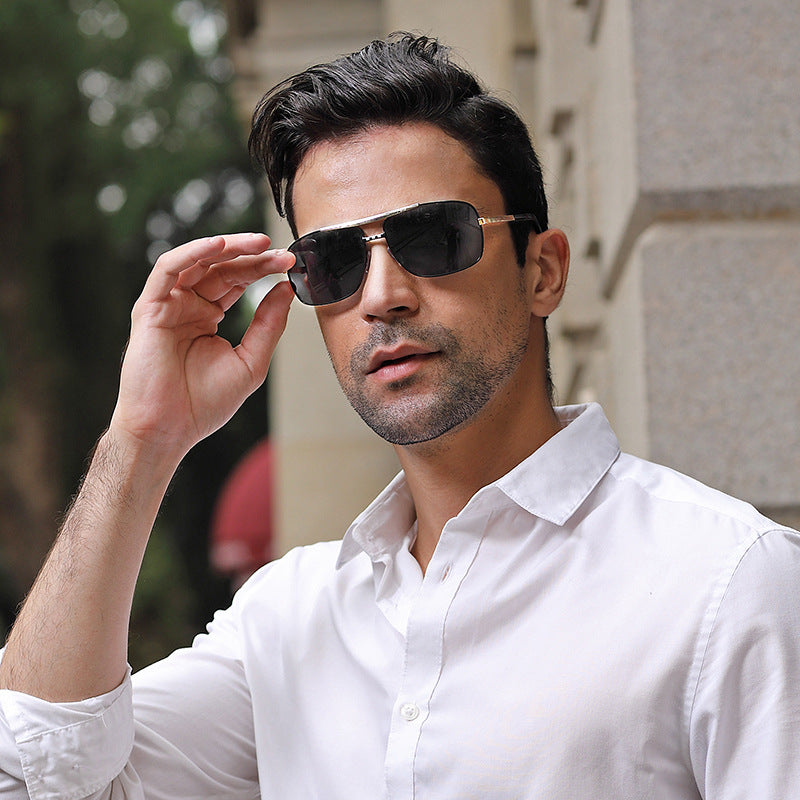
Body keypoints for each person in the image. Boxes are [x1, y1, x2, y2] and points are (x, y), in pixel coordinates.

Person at [0, 32, 798, 799]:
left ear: (543, 271)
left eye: (434, 237)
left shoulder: (725, 581)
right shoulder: (286, 623)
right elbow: (37, 776)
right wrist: (142, 441)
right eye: (334, 261)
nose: (382, 296)